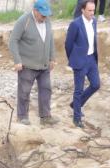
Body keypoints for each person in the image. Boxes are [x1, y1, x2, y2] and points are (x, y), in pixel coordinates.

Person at [9, 0, 58, 126]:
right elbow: (13, 41)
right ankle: (22, 117)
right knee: (24, 92)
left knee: (46, 90)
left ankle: (45, 117)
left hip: (44, 65)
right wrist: (17, 61)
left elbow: (50, 39)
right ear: (35, 11)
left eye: (47, 15)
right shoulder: (23, 21)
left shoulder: (47, 21)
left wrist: (52, 58)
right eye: (42, 15)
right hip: (27, 65)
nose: (45, 17)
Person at [65, 0, 99, 128]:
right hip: (79, 60)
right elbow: (68, 44)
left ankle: (75, 104)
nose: (92, 13)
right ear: (82, 10)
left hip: (91, 59)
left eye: (93, 10)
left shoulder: (94, 21)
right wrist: (73, 58)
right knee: (78, 90)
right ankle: (77, 117)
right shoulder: (75, 24)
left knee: (96, 84)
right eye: (89, 10)